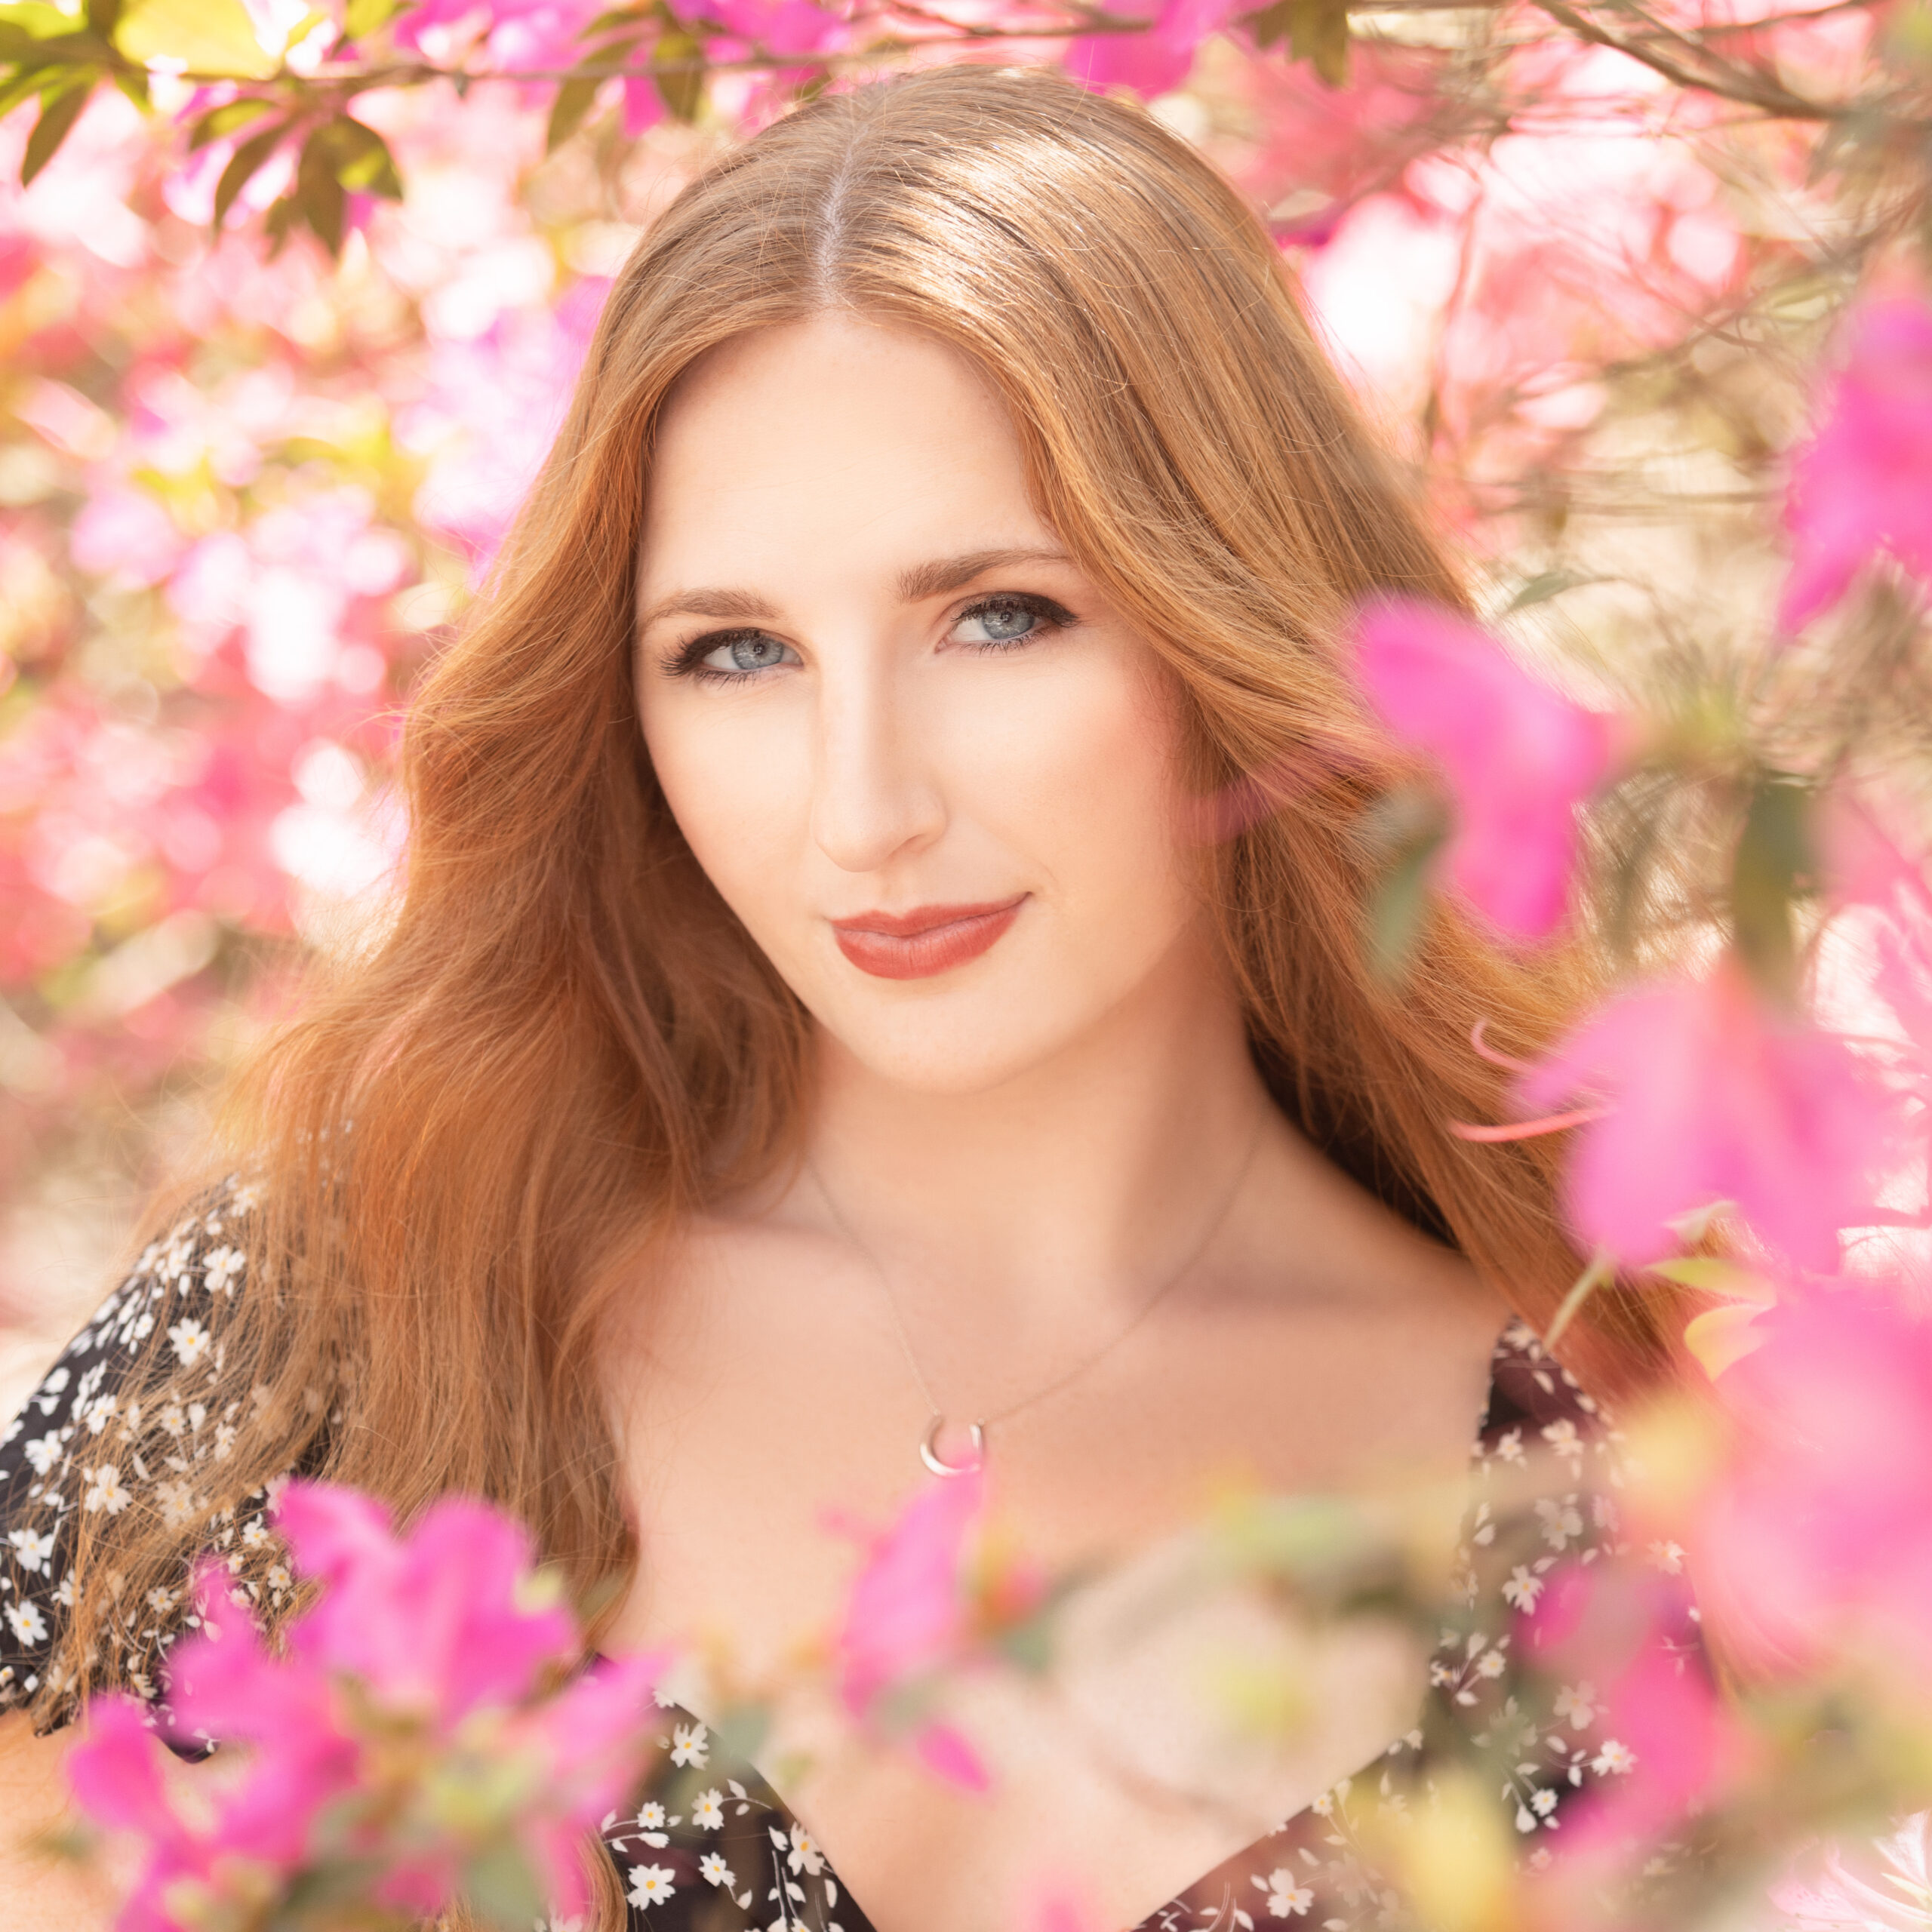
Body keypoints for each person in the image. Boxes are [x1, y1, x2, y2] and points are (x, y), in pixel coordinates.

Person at [0, 63, 1685, 1932]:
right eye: (734, 652)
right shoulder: (357, 1291)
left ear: (1232, 616)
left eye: (998, 616)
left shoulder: (1582, 1518)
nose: (861, 806)